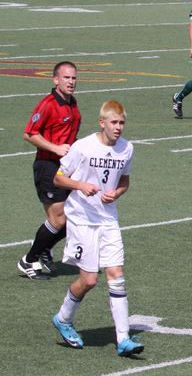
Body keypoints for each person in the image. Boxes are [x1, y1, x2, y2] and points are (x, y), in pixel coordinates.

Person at [50, 101, 142, 357]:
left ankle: (123, 339)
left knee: (116, 274)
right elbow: (58, 178)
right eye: (114, 122)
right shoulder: (83, 147)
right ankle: (63, 318)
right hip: (82, 219)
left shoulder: (127, 149)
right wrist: (81, 186)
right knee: (89, 280)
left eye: (122, 123)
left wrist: (117, 193)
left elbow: (125, 180)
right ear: (102, 123)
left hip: (108, 220)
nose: (118, 127)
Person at [19, 62, 83, 281]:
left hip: (66, 168)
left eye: (73, 78)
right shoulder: (48, 104)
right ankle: (29, 260)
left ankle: (44, 248)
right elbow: (29, 133)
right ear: (56, 80)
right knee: (58, 218)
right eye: (66, 78)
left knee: (74, 215)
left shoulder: (72, 103)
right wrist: (55, 148)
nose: (71, 82)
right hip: (48, 166)